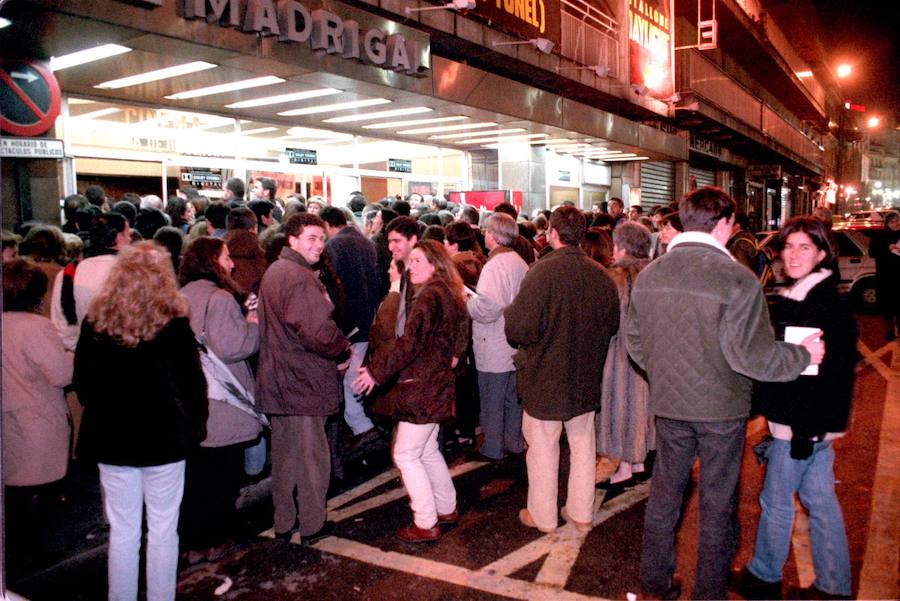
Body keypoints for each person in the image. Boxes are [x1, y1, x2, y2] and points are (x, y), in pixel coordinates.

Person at [624, 187, 825, 600]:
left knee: (665, 496)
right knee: (716, 506)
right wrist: (799, 355)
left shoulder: (650, 275)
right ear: (722, 225)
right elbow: (750, 355)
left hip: (670, 405)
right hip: (721, 408)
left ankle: (654, 583)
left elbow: (635, 342)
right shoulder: (736, 278)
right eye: (732, 224)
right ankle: (708, 593)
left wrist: (666, 373)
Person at [74, 242, 207, 601]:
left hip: (111, 438)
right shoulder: (174, 324)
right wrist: (195, 424)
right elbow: (192, 384)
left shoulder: (95, 323)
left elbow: (83, 385)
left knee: (123, 531)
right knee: (164, 529)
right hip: (163, 438)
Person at [734, 217, 858, 601]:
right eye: (789, 246)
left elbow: (812, 377)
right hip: (814, 425)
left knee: (775, 501)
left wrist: (803, 430)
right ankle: (833, 587)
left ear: (823, 253)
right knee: (821, 503)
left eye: (805, 247)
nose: (793, 254)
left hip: (800, 425)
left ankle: (764, 577)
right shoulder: (810, 296)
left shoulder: (812, 303)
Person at [504, 206, 620, 534]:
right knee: (583, 444)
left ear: (552, 233)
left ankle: (543, 514)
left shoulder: (541, 273)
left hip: (544, 375)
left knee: (542, 445)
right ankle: (581, 511)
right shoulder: (601, 275)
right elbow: (611, 325)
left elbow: (518, 330)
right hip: (585, 376)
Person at [354, 240, 469, 542]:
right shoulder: (445, 291)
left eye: (419, 261)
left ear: (435, 265)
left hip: (423, 388)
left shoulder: (430, 296)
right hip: (435, 384)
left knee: (405, 454)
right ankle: (446, 508)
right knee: (427, 450)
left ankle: (425, 521)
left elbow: (409, 343)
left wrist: (376, 373)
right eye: (410, 261)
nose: (411, 266)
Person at [256, 213, 350, 544]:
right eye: (311, 238)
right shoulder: (298, 277)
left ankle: (284, 522)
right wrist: (342, 345)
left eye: (322, 238)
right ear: (292, 240)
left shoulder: (275, 271)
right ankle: (312, 524)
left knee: (284, 459)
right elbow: (317, 332)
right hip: (303, 383)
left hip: (279, 382)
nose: (319, 244)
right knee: (312, 459)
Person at [178, 237, 262, 564]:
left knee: (196, 478)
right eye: (226, 257)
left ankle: (193, 544)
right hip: (223, 402)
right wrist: (253, 324)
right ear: (212, 262)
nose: (232, 264)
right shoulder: (221, 299)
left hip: (194, 398)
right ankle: (215, 540)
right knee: (223, 478)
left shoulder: (180, 296)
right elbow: (233, 347)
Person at [2, 259, 73, 570]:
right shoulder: (37, 327)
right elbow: (60, 374)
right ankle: (34, 554)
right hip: (38, 417)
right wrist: (71, 354)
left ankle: (15, 550)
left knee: (13, 486)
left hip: (8, 414)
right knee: (39, 487)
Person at [595, 222, 654, 500]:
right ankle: (639, 461)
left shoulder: (616, 276)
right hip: (651, 352)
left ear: (622, 246)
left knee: (620, 407)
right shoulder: (655, 271)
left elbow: (605, 319)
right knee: (644, 406)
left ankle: (625, 467)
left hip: (620, 351)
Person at [319, 206, 383, 450]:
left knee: (349, 377)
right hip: (367, 320)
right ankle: (361, 425)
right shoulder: (366, 243)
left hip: (349, 323)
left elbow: (337, 288)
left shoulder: (335, 246)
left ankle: (362, 427)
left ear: (327, 224)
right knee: (355, 373)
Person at [467, 213, 529, 460]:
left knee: (492, 401)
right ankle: (513, 443)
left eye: (486, 231)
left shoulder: (494, 265)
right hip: (513, 344)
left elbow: (488, 308)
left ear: (492, 235)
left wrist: (468, 303)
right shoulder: (519, 262)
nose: (484, 234)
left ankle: (492, 448)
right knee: (512, 400)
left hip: (493, 343)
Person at [50, 212, 131, 351]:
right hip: (127, 356)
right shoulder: (134, 273)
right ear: (119, 237)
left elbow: (63, 328)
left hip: (82, 358)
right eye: (128, 234)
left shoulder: (68, 273)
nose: (130, 239)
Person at [869, 211, 900, 340]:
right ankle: (889, 329)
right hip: (885, 276)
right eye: (892, 221)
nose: (896, 223)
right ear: (886, 223)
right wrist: (888, 248)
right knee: (887, 303)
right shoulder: (879, 236)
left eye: (897, 220)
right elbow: (872, 252)